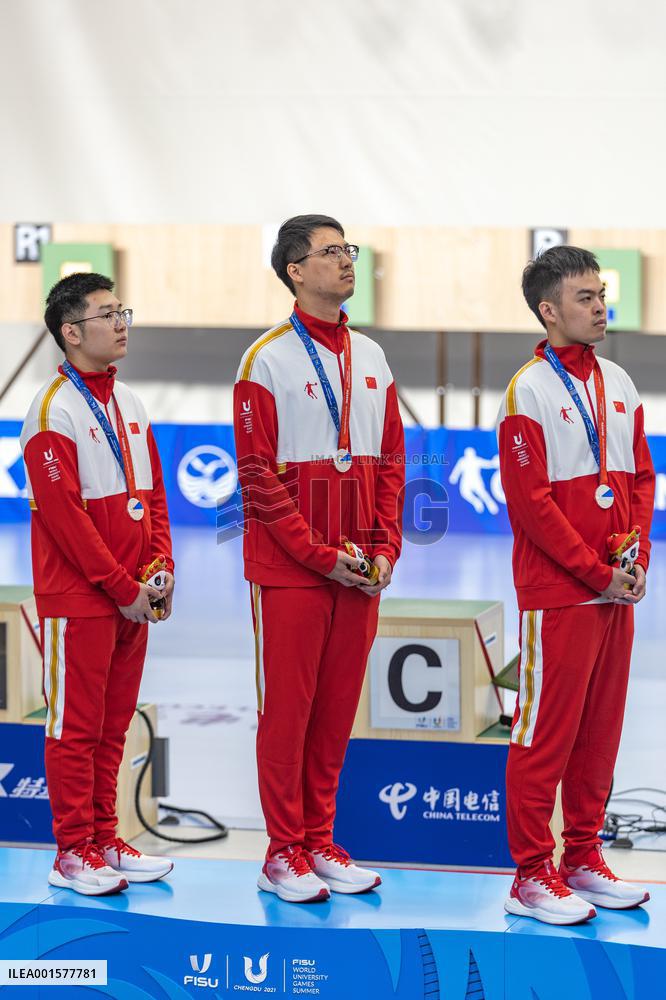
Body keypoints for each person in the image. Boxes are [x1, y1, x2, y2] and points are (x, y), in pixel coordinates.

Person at [233, 215, 404, 903]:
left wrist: (386, 544)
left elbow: (393, 459)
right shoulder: (265, 359)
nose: (345, 261)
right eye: (329, 252)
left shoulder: (371, 356)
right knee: (290, 713)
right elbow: (255, 474)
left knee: (335, 712)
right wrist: (314, 554)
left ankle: (319, 839)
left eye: (348, 250)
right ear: (295, 270)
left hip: (360, 569)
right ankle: (282, 853)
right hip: (291, 573)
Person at [497, 246, 655, 925]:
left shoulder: (618, 380)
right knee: (544, 737)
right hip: (559, 596)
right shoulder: (527, 389)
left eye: (601, 295)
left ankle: (583, 858)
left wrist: (635, 554)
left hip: (613, 592)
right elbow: (531, 507)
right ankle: (531, 875)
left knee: (599, 734)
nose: (600, 307)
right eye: (586, 297)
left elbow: (643, 477)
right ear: (549, 310)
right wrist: (596, 573)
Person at [21, 272, 175, 895]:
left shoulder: (130, 403)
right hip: (81, 598)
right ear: (71, 331)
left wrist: (159, 567)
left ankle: (107, 838)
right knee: (75, 728)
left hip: (132, 596)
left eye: (123, 311)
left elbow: (154, 496)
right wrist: (120, 586)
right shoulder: (51, 408)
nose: (121, 323)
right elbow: (66, 520)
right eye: (107, 313)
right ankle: (72, 852)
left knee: (114, 726)